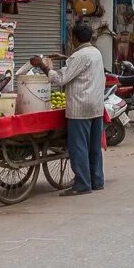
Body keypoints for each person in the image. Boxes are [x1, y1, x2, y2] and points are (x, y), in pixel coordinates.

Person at [31, 23, 106, 197]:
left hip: (80, 107)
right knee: (94, 146)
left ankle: (82, 184)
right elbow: (82, 64)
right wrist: (65, 57)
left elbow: (60, 79)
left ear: (74, 38)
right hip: (96, 105)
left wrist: (42, 65)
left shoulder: (78, 56)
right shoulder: (96, 53)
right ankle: (97, 180)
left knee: (79, 146)